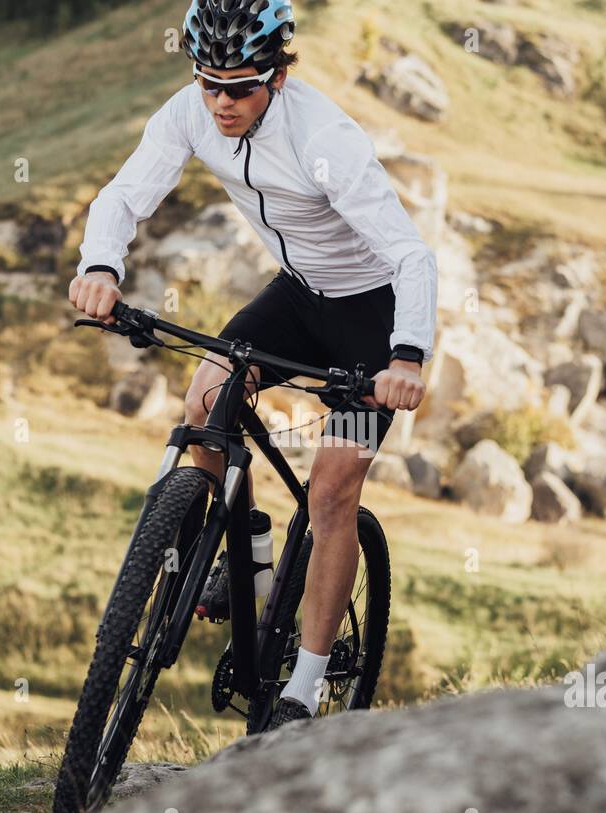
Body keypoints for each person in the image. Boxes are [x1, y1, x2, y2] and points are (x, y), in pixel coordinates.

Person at [67, 0, 437, 729]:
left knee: (332, 493)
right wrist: (100, 267)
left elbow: (411, 254)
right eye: (211, 83)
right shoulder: (189, 113)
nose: (223, 102)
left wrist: (407, 356)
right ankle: (235, 560)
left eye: (241, 86)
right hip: (298, 299)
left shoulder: (324, 137)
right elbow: (125, 194)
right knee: (206, 401)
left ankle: (304, 685)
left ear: (278, 74)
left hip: (374, 316)